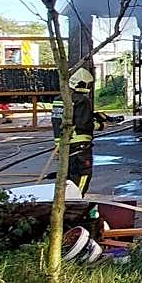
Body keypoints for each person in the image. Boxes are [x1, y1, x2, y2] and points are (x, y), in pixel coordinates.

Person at [52, 66, 97, 195]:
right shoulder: (82, 100)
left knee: (68, 176)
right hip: (80, 145)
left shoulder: (59, 99)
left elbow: (65, 119)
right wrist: (100, 125)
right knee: (84, 173)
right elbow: (83, 123)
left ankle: (65, 201)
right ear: (82, 83)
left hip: (63, 145)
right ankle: (77, 198)